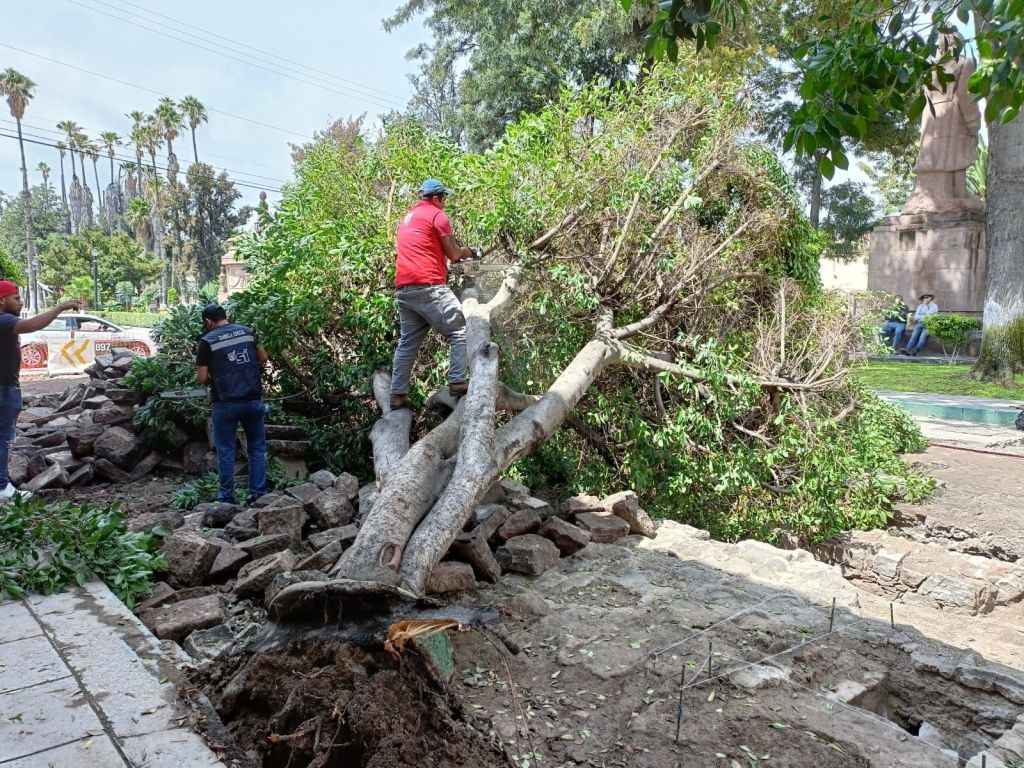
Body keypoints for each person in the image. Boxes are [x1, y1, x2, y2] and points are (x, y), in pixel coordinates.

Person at [388, 178, 477, 410]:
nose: (445, 203)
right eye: (444, 198)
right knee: (459, 331)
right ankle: (458, 381)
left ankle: (397, 394)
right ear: (436, 198)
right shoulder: (437, 215)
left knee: (407, 342)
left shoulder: (408, 218)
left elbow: (426, 249)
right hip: (428, 286)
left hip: (405, 289)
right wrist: (470, 252)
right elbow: (454, 253)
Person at [0, 282, 81, 499]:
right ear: (2, 300)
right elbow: (32, 325)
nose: (21, 301)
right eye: (16, 298)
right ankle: (1, 488)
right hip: (4, 389)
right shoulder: (5, 320)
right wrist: (60, 308)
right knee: (3, 438)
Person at [196, 304, 269, 503]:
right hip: (253, 399)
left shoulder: (207, 341)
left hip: (225, 403)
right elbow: (263, 358)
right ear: (225, 317)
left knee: (226, 450)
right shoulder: (248, 332)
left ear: (208, 322)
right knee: (257, 449)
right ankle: (259, 495)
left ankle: (226, 497)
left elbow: (202, 378)